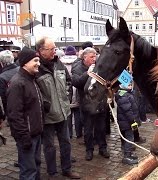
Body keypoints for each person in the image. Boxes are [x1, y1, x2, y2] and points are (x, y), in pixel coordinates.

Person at [35, 37, 80, 179]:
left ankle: (67, 169)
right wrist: (45, 105)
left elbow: (68, 80)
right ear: (41, 51)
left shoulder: (58, 64)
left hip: (63, 112)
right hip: (48, 116)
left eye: (55, 48)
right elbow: (34, 92)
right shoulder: (36, 68)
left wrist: (65, 96)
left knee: (66, 142)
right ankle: (52, 172)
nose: (55, 51)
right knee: (49, 146)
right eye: (52, 49)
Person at [6, 47, 43, 180]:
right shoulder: (17, 83)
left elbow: (32, 103)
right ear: (25, 63)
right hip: (26, 136)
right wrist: (23, 137)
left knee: (36, 166)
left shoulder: (31, 79)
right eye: (35, 60)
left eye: (38, 60)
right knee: (29, 171)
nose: (38, 63)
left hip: (35, 133)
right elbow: (14, 115)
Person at [71, 47, 110, 161]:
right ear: (84, 57)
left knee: (101, 128)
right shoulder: (77, 68)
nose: (94, 59)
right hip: (86, 104)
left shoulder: (99, 65)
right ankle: (89, 150)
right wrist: (88, 74)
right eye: (91, 57)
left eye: (95, 56)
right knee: (88, 130)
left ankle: (103, 148)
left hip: (100, 103)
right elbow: (76, 82)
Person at [115, 83, 139, 165]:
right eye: (128, 84)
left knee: (128, 138)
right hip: (127, 122)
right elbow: (128, 111)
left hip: (125, 122)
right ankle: (127, 156)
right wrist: (132, 122)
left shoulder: (124, 94)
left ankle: (129, 153)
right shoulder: (124, 96)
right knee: (129, 138)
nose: (131, 86)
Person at [0, 50, 19, 124]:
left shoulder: (2, 77)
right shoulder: (21, 69)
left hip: (12, 109)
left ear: (2, 63)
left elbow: (3, 98)